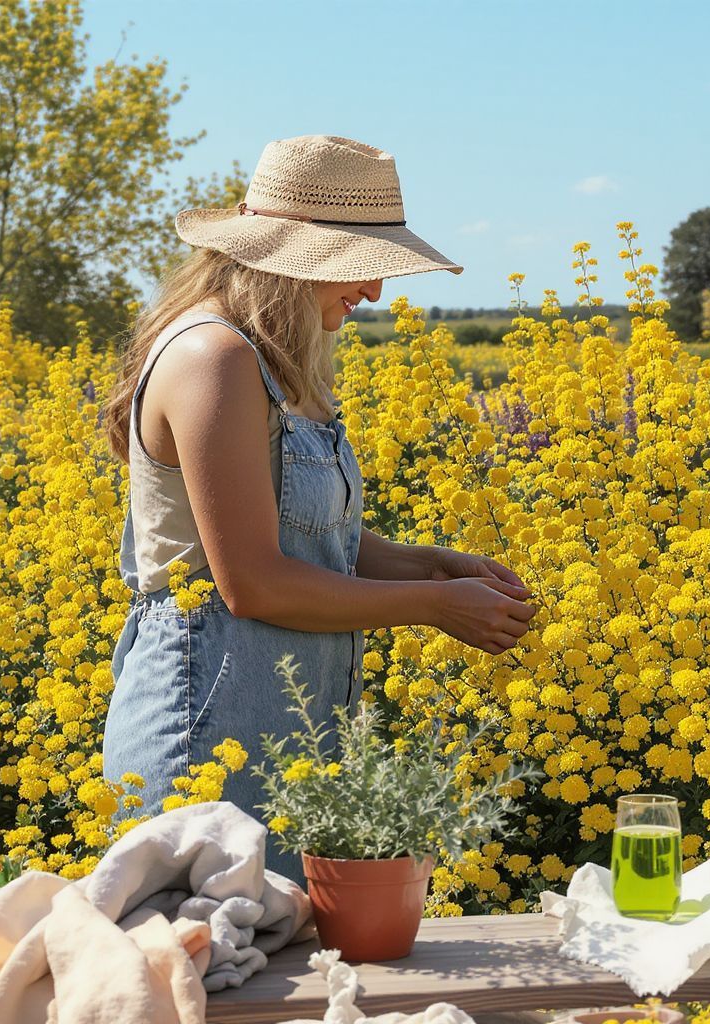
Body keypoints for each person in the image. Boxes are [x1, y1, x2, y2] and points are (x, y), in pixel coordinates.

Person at [99, 135, 537, 881]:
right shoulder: (215, 358)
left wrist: (430, 563)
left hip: (291, 722)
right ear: (293, 259)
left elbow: (309, 538)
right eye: (359, 270)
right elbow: (253, 582)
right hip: (205, 725)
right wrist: (433, 604)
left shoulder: (274, 359)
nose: (371, 294)